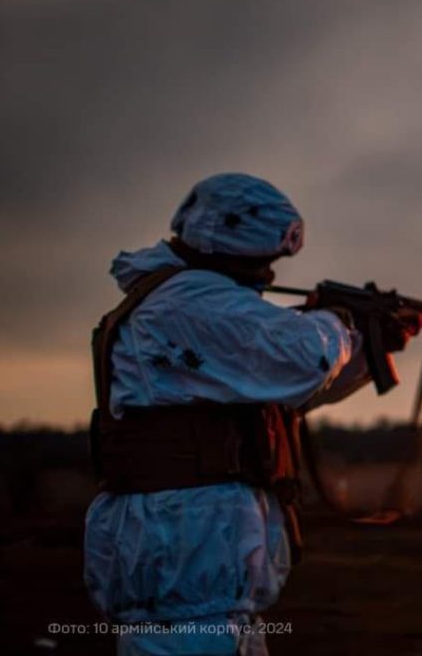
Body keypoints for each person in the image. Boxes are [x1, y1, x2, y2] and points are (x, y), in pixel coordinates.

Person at [84, 173, 386, 655]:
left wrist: (370, 349)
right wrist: (340, 321)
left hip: (200, 582)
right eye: (262, 259)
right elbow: (305, 357)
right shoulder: (191, 301)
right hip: (183, 571)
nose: (268, 274)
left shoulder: (198, 305)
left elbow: (285, 392)